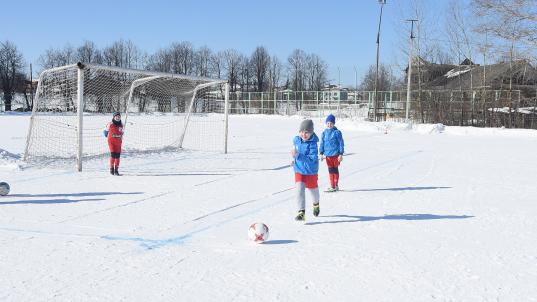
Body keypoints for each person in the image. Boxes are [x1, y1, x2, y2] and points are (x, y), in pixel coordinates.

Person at [291, 119, 320, 221]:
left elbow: (311, 159)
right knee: (299, 190)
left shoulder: (313, 145)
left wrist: (298, 156)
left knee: (313, 191)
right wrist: (294, 159)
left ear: (311, 133)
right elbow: (295, 151)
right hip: (299, 170)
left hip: (310, 171)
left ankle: (316, 204)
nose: (304, 134)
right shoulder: (296, 140)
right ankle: (301, 212)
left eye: (306, 132)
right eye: (302, 132)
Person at [319, 114, 344, 192]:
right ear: (326, 124)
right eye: (328, 123)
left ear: (334, 124)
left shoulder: (337, 132)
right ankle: (332, 185)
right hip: (328, 156)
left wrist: (340, 154)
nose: (329, 125)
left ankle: (335, 185)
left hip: (336, 155)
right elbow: (322, 143)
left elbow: (341, 143)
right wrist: (321, 153)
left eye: (331, 123)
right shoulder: (324, 133)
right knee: (330, 170)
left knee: (335, 170)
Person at [104, 112, 124, 176]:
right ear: (113, 117)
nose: (118, 117)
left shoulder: (121, 124)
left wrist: (121, 134)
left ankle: (116, 170)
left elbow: (122, 132)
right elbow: (105, 131)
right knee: (113, 155)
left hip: (118, 142)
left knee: (117, 156)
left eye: (119, 116)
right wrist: (106, 134)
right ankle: (111, 168)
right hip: (111, 142)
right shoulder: (110, 124)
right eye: (116, 116)